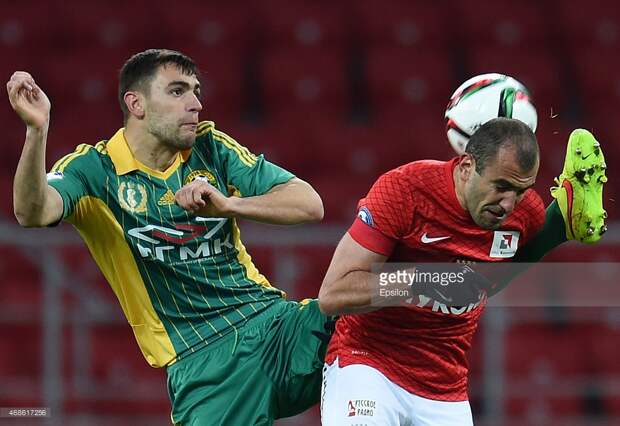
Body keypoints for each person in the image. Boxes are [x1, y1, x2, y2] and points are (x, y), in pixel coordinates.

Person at [7, 49, 336, 425]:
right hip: (206, 367)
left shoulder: (211, 148)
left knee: (395, 291)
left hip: (277, 327)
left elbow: (310, 204)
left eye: (196, 91)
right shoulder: (94, 170)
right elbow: (31, 212)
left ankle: (420, 287)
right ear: (137, 104)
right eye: (178, 91)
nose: (196, 104)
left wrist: (229, 206)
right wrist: (37, 130)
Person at [318, 117, 607, 425]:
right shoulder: (405, 190)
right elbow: (333, 293)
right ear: (467, 167)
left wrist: (555, 227)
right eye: (502, 187)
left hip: (445, 388)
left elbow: (488, 281)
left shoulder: (525, 214)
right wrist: (420, 281)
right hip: (368, 364)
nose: (509, 203)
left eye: (521, 191)